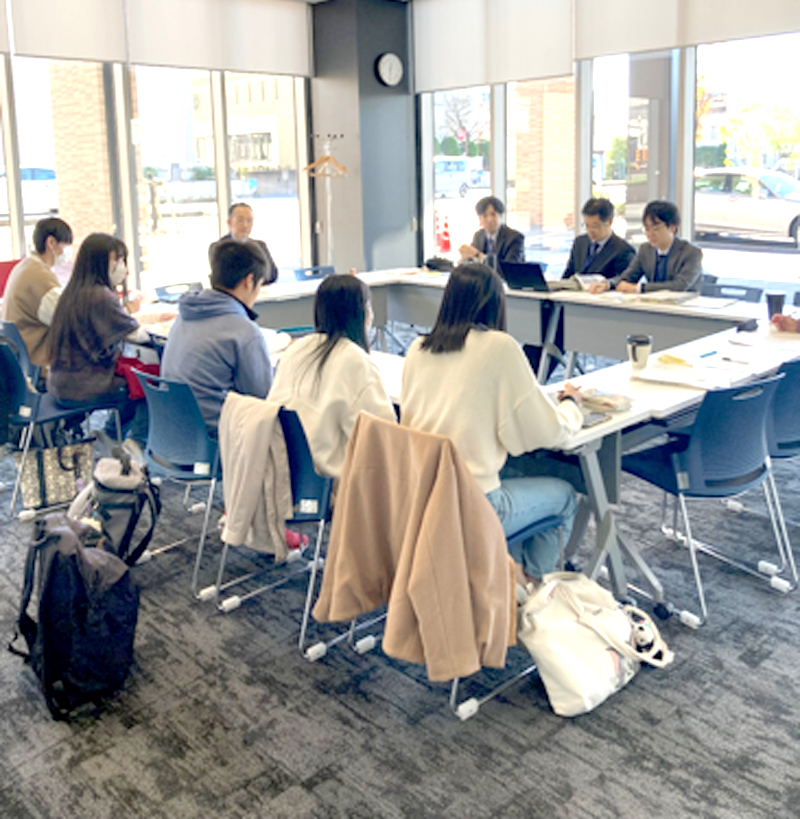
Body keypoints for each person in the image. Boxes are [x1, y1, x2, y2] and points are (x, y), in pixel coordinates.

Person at [400, 263, 584, 584]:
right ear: (496, 303)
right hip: (473, 506)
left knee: (518, 474)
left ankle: (504, 578)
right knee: (566, 494)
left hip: (422, 496)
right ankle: (530, 584)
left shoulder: (418, 349)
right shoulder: (499, 347)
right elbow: (546, 431)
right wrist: (571, 406)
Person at [266, 275, 396, 479]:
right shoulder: (356, 362)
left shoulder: (296, 349)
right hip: (332, 480)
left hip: (283, 472)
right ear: (362, 313)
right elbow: (383, 440)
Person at [162, 238, 274, 433]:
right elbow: (263, 397)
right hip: (217, 435)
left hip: (175, 430)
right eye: (260, 284)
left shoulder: (185, 315)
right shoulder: (243, 331)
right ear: (249, 281)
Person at [47, 233, 150, 441]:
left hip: (61, 382)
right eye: (117, 259)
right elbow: (135, 334)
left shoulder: (74, 292)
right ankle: (133, 444)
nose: (122, 267)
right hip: (83, 384)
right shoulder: (99, 296)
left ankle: (110, 436)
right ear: (98, 262)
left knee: (134, 379)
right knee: (148, 386)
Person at [1, 217, 73, 369]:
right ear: (51, 243)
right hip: (38, 363)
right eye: (66, 244)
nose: (69, 251)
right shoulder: (39, 276)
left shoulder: (25, 266)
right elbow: (68, 320)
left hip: (22, 359)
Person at [590, 200, 702, 294]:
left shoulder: (691, 252)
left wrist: (639, 288)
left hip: (684, 308)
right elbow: (628, 276)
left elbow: (680, 285)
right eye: (647, 229)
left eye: (655, 229)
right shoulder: (646, 250)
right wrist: (608, 284)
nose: (650, 234)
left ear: (672, 228)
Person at [562, 198, 635, 280]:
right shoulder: (580, 242)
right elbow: (567, 275)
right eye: (587, 225)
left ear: (609, 222)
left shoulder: (624, 251)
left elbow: (623, 281)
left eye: (595, 226)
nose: (590, 231)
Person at [209, 202, 277, 283]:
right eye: (240, 220)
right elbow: (222, 278)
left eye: (249, 220)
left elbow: (272, 275)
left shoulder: (260, 245)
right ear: (229, 222)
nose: (245, 225)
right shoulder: (218, 248)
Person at [459, 196, 525, 268]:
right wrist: (465, 259)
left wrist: (478, 256)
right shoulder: (478, 236)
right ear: (480, 219)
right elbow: (473, 262)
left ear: (501, 216)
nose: (489, 219)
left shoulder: (515, 238)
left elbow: (509, 268)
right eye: (485, 216)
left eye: (493, 214)